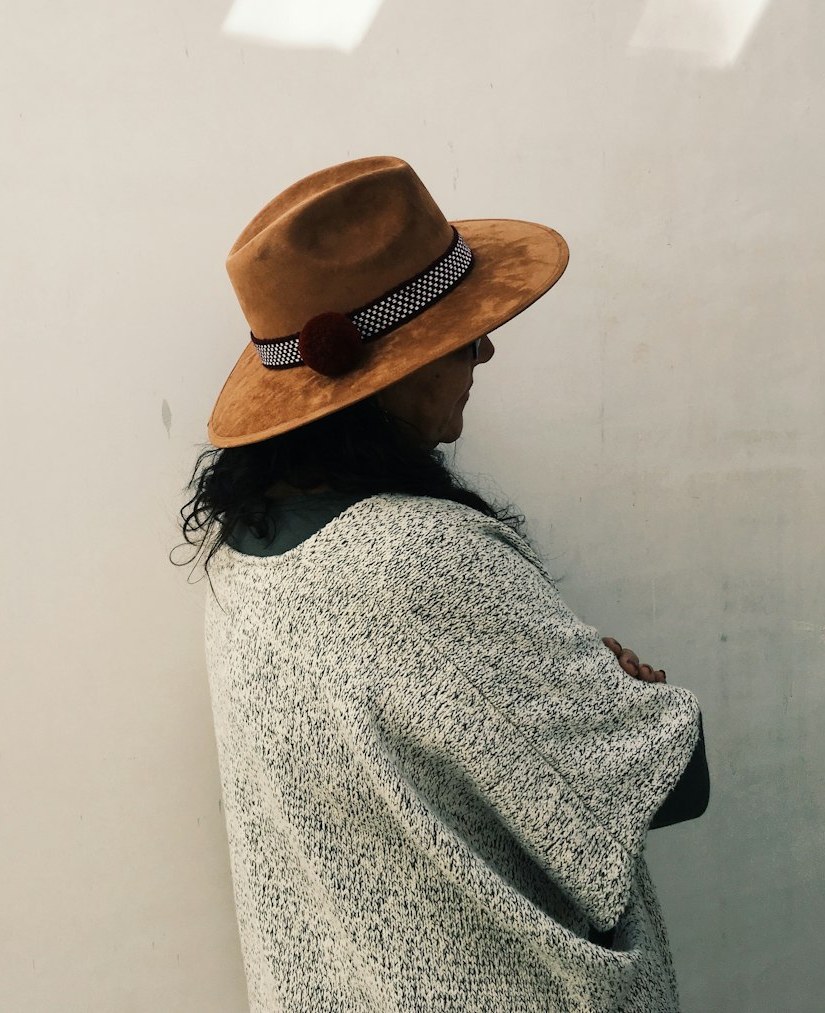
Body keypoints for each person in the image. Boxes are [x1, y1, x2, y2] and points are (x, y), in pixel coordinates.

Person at [177, 156, 709, 1013]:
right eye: (459, 330)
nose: (486, 347)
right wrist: (615, 692)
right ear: (384, 368)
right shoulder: (422, 560)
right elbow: (675, 780)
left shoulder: (244, 553)